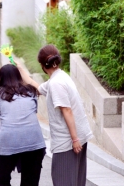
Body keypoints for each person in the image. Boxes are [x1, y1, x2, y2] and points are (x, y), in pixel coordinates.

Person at [18, 45, 92, 186]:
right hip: (77, 136)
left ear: (42, 65)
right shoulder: (60, 77)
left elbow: (66, 110)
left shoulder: (56, 84)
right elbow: (38, 88)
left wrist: (74, 139)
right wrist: (20, 69)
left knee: (62, 180)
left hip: (67, 141)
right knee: (76, 181)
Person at [0, 64, 46, 186]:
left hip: (8, 141)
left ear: (0, 78)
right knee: (30, 181)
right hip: (34, 142)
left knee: (1, 180)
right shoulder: (31, 91)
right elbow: (33, 110)